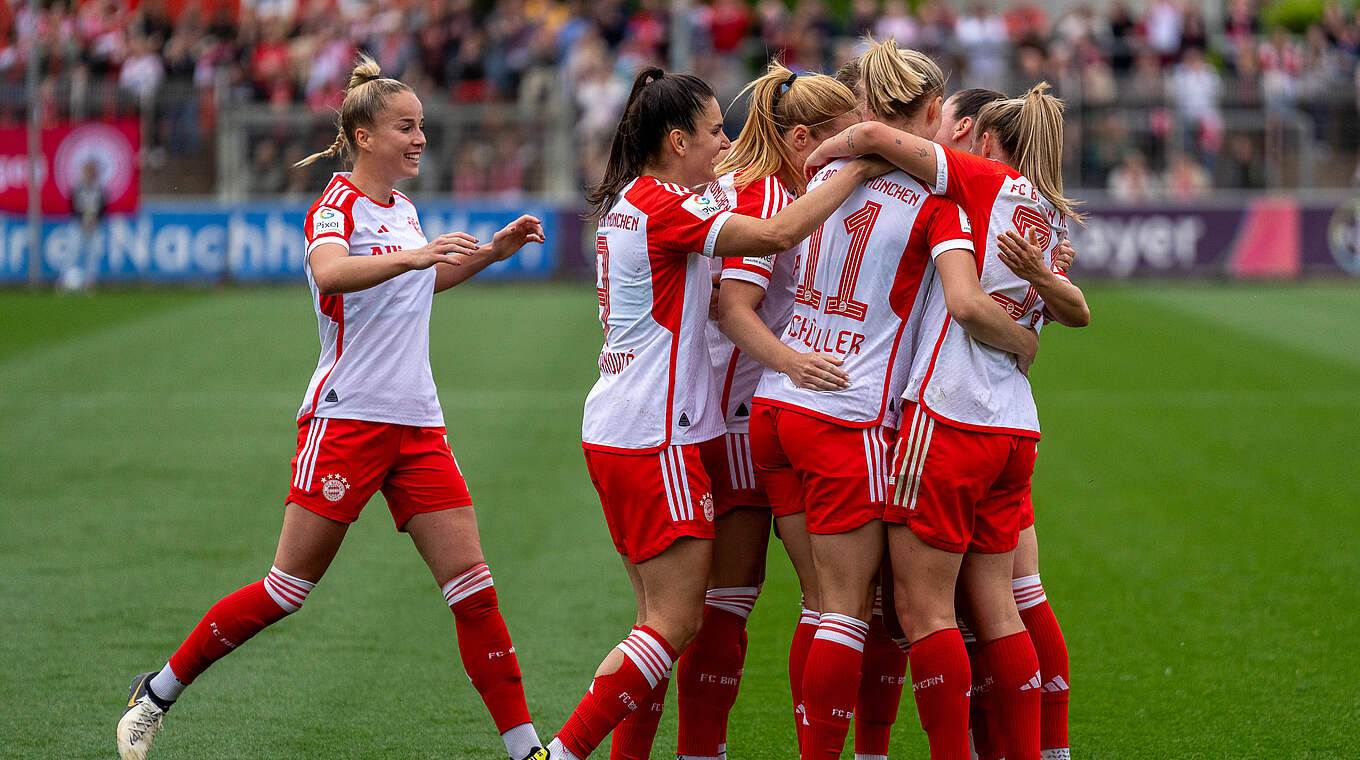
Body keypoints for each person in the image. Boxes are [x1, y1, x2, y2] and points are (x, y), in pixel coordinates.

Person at [116, 55, 549, 760]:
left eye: (422, 127)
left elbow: (420, 283)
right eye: (406, 128)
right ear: (363, 135)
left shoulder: (404, 210)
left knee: (474, 592)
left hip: (419, 426)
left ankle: (526, 749)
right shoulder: (335, 205)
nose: (420, 139)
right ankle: (158, 691)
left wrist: (489, 254)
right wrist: (415, 259)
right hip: (345, 421)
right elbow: (331, 272)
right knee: (287, 589)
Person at [530, 66, 890, 760]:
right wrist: (861, 167)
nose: (723, 145)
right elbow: (771, 246)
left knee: (665, 622)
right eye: (712, 132)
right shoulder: (680, 203)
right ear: (675, 139)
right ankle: (565, 752)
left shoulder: (641, 201)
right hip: (670, 430)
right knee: (683, 620)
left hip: (636, 424)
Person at [755, 40, 1041, 760]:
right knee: (885, 611)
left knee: (822, 606)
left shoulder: (818, 169)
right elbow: (967, 303)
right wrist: (1024, 338)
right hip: (850, 411)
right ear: (935, 112)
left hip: (778, 402)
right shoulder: (938, 201)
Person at [807, 62, 1089, 759]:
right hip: (1014, 426)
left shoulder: (979, 185)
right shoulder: (1049, 221)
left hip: (947, 416)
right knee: (1000, 610)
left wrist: (815, 161)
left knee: (922, 611)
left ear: (986, 140)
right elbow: (1075, 311)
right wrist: (1029, 327)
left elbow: (875, 134)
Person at [680, 62, 862, 760]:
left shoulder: (758, 178)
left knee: (716, 607)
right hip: (738, 413)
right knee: (788, 602)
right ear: (800, 137)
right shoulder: (759, 192)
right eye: (845, 139)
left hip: (719, 410)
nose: (856, 150)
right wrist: (794, 363)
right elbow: (734, 309)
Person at [62, 159, 107, 293]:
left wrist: (94, 219)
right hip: (78, 225)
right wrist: (82, 220)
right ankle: (65, 280)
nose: (90, 173)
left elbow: (103, 207)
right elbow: (72, 206)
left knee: (93, 254)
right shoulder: (78, 188)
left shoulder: (99, 189)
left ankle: (90, 282)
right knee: (73, 252)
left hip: (95, 226)